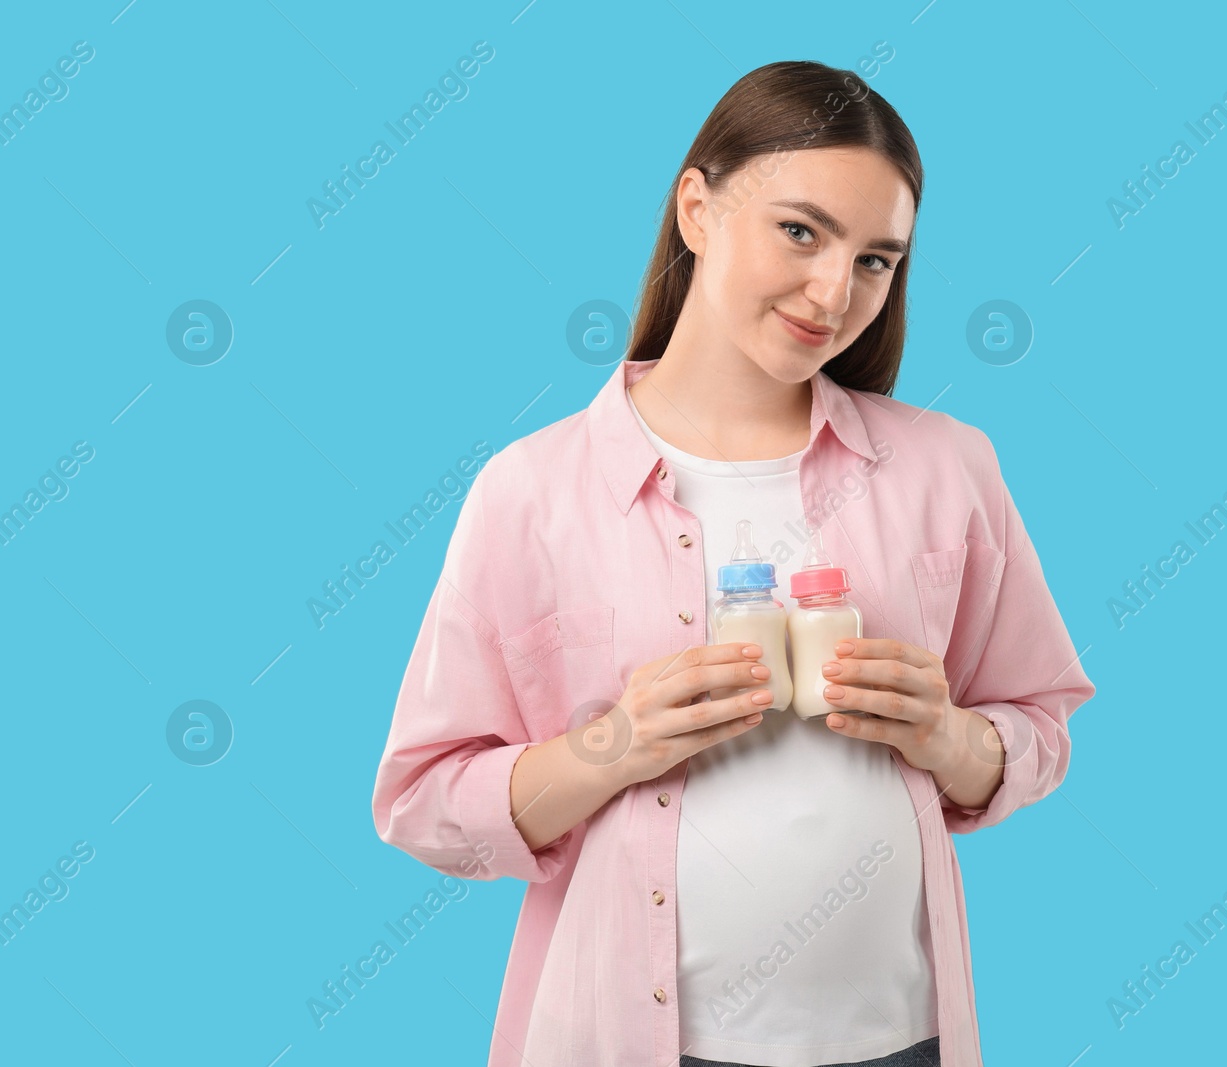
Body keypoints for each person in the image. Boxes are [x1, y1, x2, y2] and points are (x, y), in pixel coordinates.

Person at [371, 59, 1094, 1067]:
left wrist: (947, 737)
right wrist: (614, 746)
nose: (836, 291)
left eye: (877, 260)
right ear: (697, 208)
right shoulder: (530, 491)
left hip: (905, 1039)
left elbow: (1038, 720)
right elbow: (422, 798)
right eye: (799, 230)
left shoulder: (948, 466)